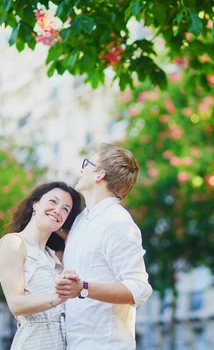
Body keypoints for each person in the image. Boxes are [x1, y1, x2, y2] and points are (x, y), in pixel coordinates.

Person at [55, 143, 153, 349]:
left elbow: (139, 289)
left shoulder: (117, 222)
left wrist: (83, 288)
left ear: (99, 174)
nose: (81, 169)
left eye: (86, 163)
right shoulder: (82, 219)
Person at [0, 182, 83, 350]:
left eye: (65, 209)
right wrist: (58, 298)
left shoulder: (53, 256)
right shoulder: (14, 243)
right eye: (53, 202)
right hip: (34, 342)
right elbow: (16, 304)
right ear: (35, 203)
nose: (58, 210)